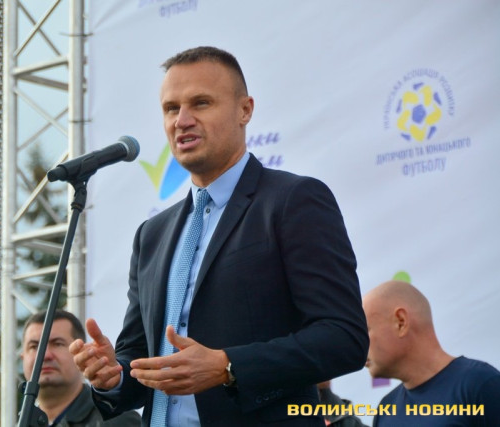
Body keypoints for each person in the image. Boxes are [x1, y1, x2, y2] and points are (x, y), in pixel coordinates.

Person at [71, 46, 368, 426]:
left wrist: (228, 366)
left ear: (245, 110)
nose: (182, 120)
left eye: (201, 103)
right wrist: (113, 376)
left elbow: (344, 338)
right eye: (171, 108)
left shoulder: (293, 201)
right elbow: (140, 361)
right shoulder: (152, 236)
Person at [363, 280, 500, 426]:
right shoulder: (385, 411)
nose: (360, 346)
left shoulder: (481, 385)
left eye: (366, 331)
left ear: (401, 322)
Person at [21, 309, 141, 426]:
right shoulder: (21, 422)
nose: (45, 355)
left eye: (57, 344)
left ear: (80, 353)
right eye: (34, 346)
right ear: (22, 358)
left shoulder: (119, 421)